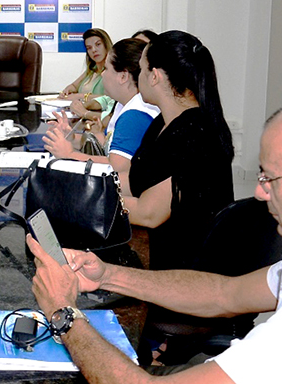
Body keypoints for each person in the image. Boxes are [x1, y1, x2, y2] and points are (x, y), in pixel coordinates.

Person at [27, 94, 282, 383]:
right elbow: (224, 294)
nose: (260, 192)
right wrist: (107, 275)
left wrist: (62, 312)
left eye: (270, 178)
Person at [120, 31, 235, 364]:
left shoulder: (193, 132)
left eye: (142, 69)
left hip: (183, 266)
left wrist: (92, 204)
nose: (139, 76)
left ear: (155, 75)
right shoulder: (165, 121)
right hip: (170, 248)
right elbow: (138, 181)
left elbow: (150, 212)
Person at [43, 38, 160, 174]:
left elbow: (117, 168)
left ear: (123, 77)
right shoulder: (122, 105)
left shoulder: (135, 115)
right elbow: (109, 146)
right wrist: (71, 138)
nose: (103, 74)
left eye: (106, 68)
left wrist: (70, 155)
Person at [59, 28, 113, 106]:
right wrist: (67, 91)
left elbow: (111, 99)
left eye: (98, 44)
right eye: (89, 48)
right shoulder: (92, 69)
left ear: (106, 45)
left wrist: (81, 96)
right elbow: (74, 86)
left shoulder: (114, 71)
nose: (94, 50)